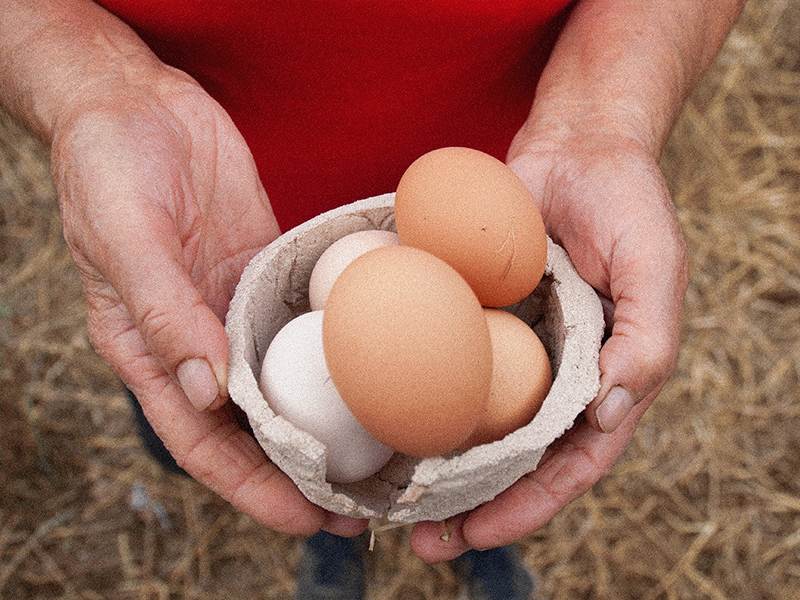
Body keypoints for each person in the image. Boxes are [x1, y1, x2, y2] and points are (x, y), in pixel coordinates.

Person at [1, 0, 745, 597]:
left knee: (485, 435)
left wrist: (604, 114)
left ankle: (460, 519)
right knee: (275, 440)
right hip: (196, 236)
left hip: (525, 183)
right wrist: (91, 87)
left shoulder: (465, 283)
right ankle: (337, 539)